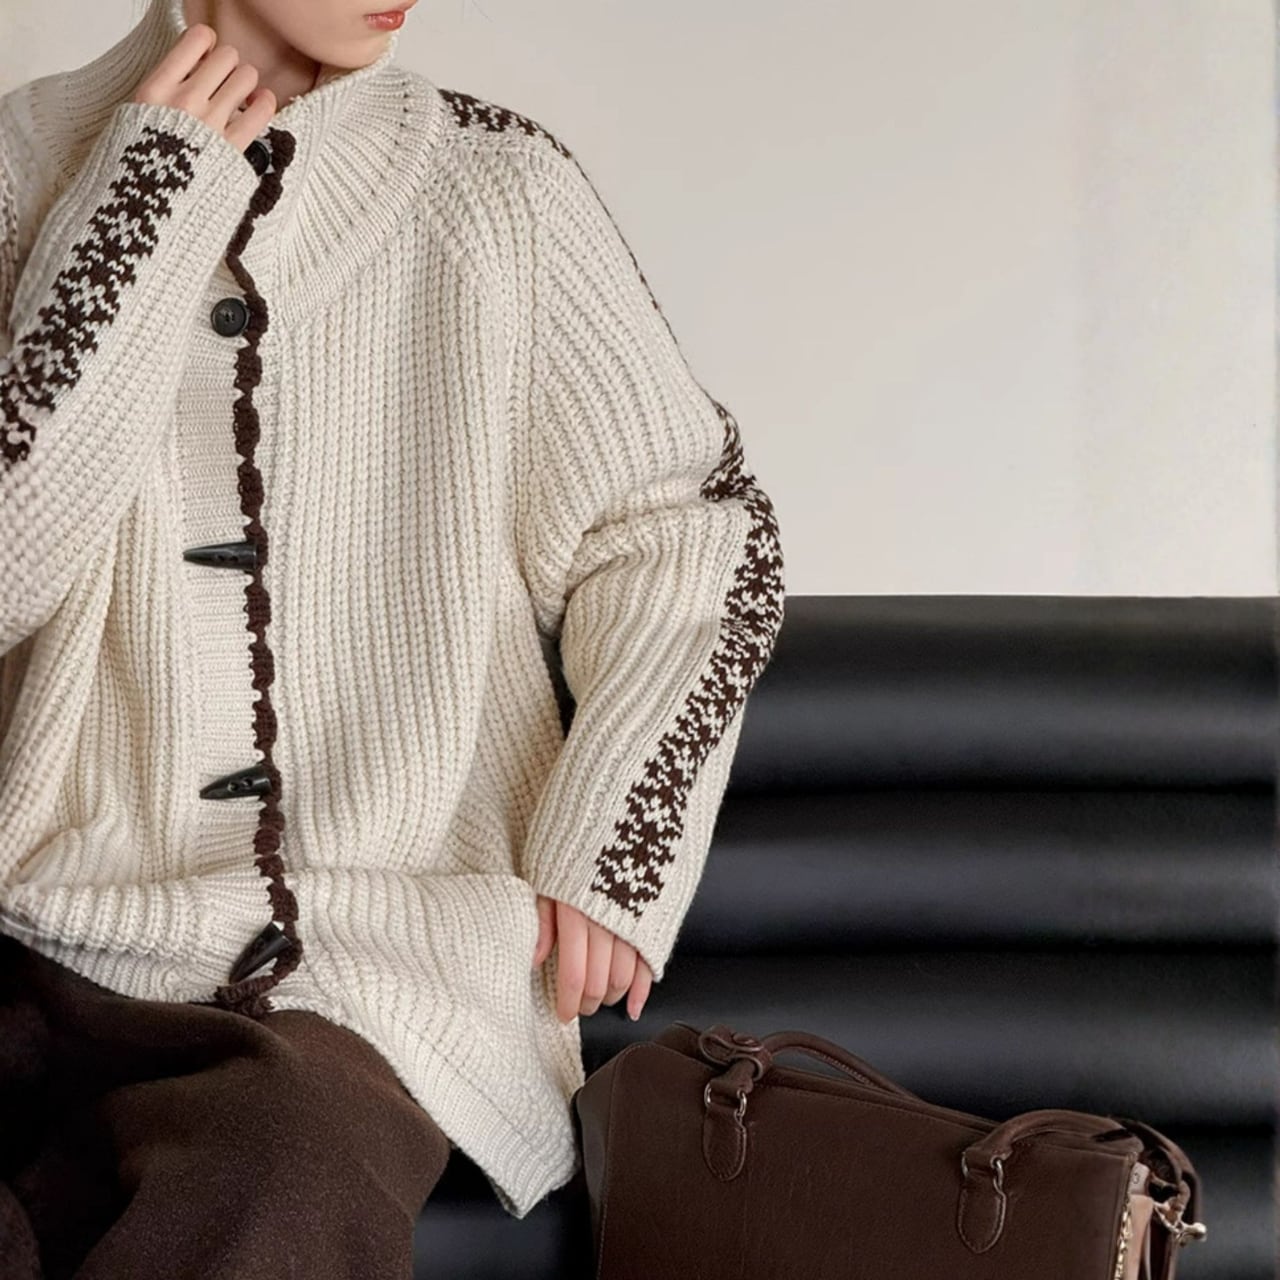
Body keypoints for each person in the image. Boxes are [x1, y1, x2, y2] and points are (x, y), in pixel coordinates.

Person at [0, 0, 786, 1272]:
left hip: (351, 973)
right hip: (37, 941)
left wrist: (614, 836)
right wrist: (140, 204)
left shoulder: (497, 188)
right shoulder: (21, 166)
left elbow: (693, 527)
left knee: (281, 1164)